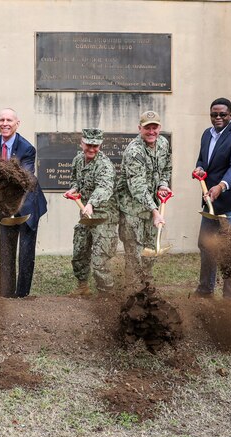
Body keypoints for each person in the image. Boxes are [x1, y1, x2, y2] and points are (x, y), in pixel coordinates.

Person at [193, 97, 231, 299]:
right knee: (206, 244)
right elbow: (204, 159)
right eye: (214, 114)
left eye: (222, 114)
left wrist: (221, 186)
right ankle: (205, 291)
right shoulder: (206, 134)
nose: (218, 117)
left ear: (230, 115)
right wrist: (200, 168)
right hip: (211, 201)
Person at [0, 108, 48, 298]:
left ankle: (22, 294)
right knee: (6, 248)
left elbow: (25, 179)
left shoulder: (27, 148)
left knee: (25, 252)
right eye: (1, 120)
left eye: (9, 120)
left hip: (27, 202)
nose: (5, 123)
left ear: (17, 124)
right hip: (5, 203)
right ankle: (5, 293)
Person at [116, 111, 173, 288]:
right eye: (147, 128)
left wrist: (163, 185)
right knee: (134, 253)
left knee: (150, 250)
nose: (151, 131)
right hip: (133, 210)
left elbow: (167, 168)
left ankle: (147, 289)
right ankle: (132, 294)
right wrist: (156, 212)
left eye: (154, 127)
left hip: (152, 208)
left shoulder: (163, 143)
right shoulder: (134, 151)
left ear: (159, 128)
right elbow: (138, 187)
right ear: (140, 128)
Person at [63, 128, 118, 297]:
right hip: (86, 214)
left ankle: (106, 294)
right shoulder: (78, 160)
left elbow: (104, 187)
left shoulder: (105, 165)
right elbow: (75, 180)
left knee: (100, 257)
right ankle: (82, 287)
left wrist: (92, 204)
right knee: (79, 249)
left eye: (96, 146)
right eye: (88, 145)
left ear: (100, 145)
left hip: (103, 217)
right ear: (82, 143)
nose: (92, 149)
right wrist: (73, 189)